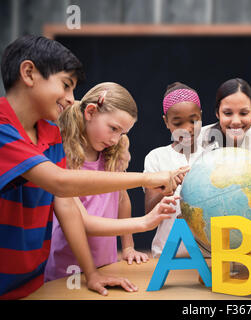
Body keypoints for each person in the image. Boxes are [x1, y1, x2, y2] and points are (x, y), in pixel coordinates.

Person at [0, 35, 185, 299]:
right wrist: (146, 180)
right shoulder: (3, 128)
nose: (69, 98)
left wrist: (92, 273)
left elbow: (65, 204)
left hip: (34, 280)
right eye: (65, 85)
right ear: (29, 73)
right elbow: (61, 182)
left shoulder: (50, 133)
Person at [44, 82, 179, 281]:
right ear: (90, 112)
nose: (116, 139)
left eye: (122, 133)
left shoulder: (113, 154)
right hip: (67, 270)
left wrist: (128, 246)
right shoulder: (62, 157)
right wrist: (143, 222)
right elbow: (82, 223)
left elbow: (122, 199)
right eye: (113, 128)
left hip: (107, 264)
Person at [144, 82, 203, 258]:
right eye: (178, 123)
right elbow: (149, 212)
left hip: (208, 255)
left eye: (194, 121)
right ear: (166, 122)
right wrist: (166, 189)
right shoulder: (156, 157)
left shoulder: (213, 154)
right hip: (167, 255)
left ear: (201, 116)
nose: (187, 129)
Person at [200, 78, 251, 155]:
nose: (236, 121)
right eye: (228, 113)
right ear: (217, 112)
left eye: (243, 113)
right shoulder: (198, 140)